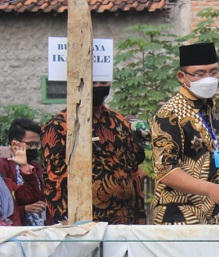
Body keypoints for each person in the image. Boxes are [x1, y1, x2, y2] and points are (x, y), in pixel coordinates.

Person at [151, 42, 219, 225]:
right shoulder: (170, 114)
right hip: (180, 219)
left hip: (213, 216)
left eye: (214, 72)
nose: (208, 78)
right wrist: (210, 189)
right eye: (200, 73)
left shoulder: (209, 110)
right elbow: (165, 171)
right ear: (182, 77)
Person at [42, 82, 146, 225]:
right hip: (85, 222)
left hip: (124, 221)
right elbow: (54, 178)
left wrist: (140, 216)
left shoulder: (119, 122)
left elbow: (134, 171)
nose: (99, 86)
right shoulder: (61, 125)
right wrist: (63, 221)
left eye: (103, 82)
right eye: (94, 82)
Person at [0, 118, 46, 226]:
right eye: (30, 144)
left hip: (36, 224)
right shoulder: (3, 166)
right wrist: (24, 209)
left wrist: (24, 166)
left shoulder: (34, 167)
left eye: (37, 144)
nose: (34, 148)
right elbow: (7, 206)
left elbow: (33, 195)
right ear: (15, 144)